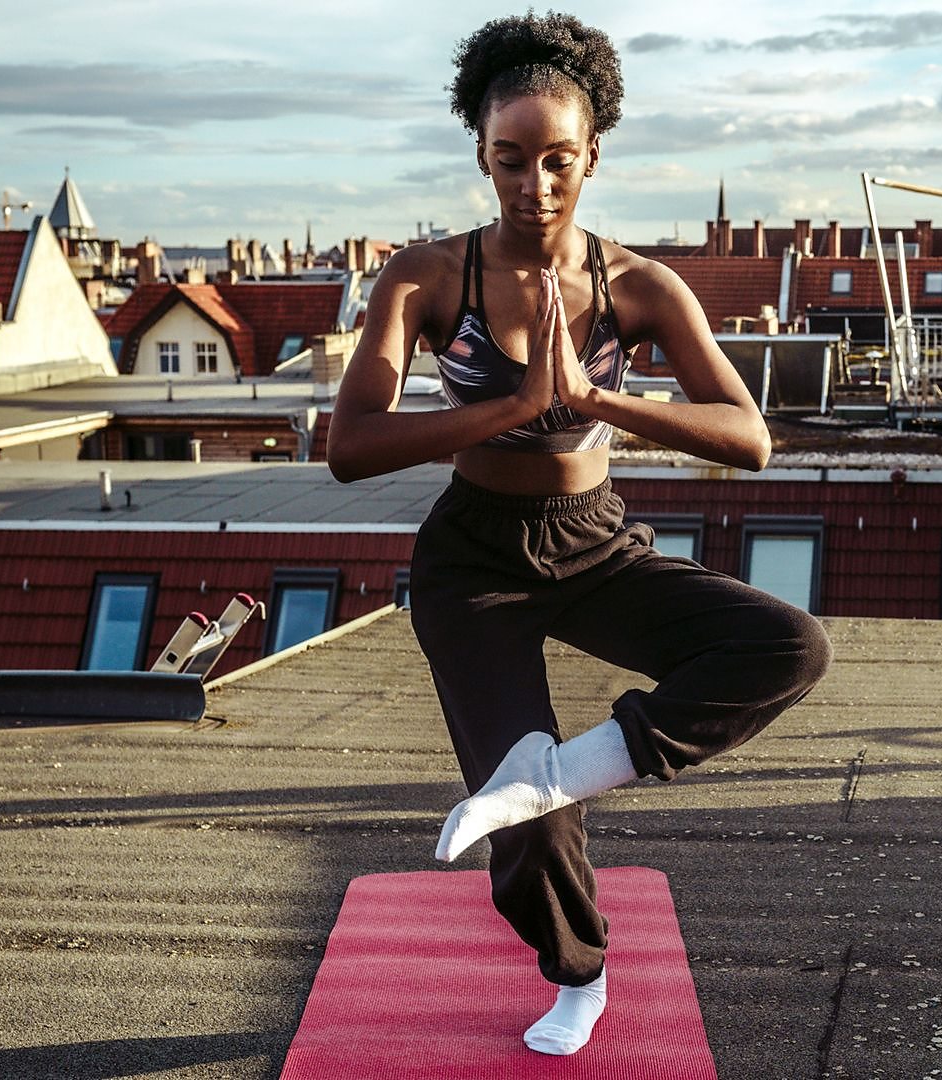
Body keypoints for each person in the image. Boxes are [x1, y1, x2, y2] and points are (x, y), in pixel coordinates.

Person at [327, 11, 832, 1058]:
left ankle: (573, 764)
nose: (535, 185)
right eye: (510, 160)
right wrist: (514, 411)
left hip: (594, 539)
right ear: (480, 151)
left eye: (558, 160)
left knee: (787, 646)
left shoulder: (640, 287)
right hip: (472, 558)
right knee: (526, 828)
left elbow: (750, 439)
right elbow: (351, 444)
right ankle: (579, 970)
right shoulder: (424, 278)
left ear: (593, 154)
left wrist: (600, 403)